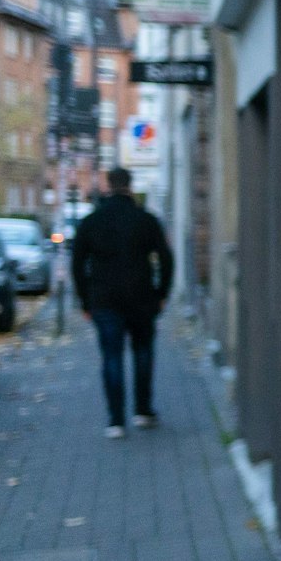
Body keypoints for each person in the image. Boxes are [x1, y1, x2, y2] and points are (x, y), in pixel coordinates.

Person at [72, 166, 174, 438]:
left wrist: (85, 301)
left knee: (111, 357)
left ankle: (116, 421)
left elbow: (77, 263)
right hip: (142, 298)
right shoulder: (146, 220)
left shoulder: (92, 221)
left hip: (104, 300)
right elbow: (166, 259)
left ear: (108, 185)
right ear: (130, 185)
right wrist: (162, 294)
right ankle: (142, 411)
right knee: (143, 353)